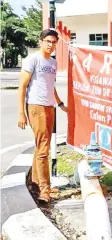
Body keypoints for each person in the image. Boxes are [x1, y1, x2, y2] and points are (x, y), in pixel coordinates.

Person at [18, 29, 68, 203]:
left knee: (40, 146)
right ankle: (44, 191)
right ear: (41, 41)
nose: (51, 45)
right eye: (48, 41)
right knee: (44, 148)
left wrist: (60, 104)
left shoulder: (53, 63)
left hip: (49, 107)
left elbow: (50, 86)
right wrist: (21, 113)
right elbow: (22, 86)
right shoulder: (32, 59)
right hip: (35, 107)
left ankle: (34, 184)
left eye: (54, 42)